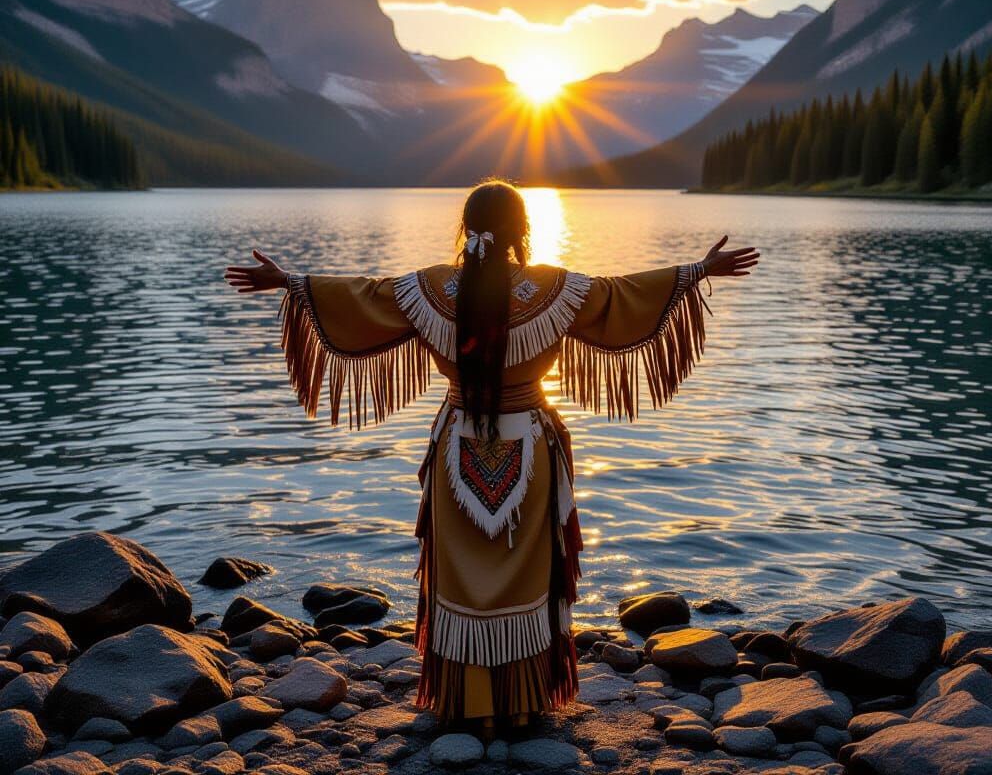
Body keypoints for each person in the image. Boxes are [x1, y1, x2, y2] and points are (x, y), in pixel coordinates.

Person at [224, 179, 758, 733]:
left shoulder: (427, 291)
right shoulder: (558, 290)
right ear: (522, 231)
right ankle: (525, 705)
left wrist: (288, 281)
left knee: (459, 580)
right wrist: (698, 270)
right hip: (533, 446)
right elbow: (623, 294)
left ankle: (466, 707)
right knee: (530, 579)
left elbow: (361, 295)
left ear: (465, 227)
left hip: (456, 445)